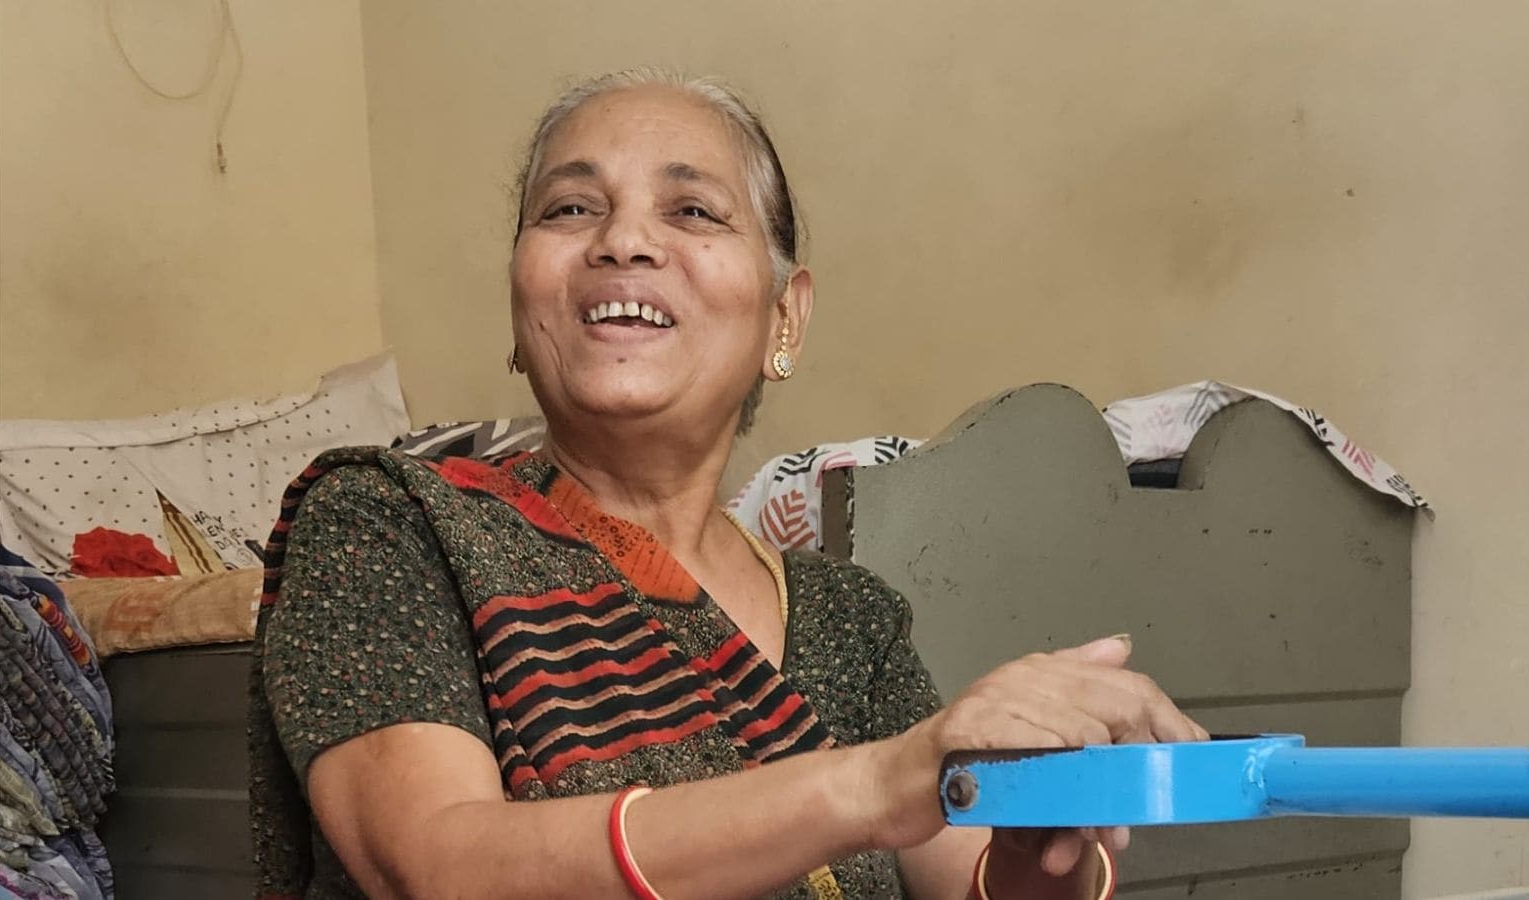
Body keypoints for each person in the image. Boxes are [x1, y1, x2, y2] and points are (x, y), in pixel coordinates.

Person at [247, 68, 1208, 900]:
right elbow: (440, 866)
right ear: (520, 297)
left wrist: (1043, 837)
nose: (623, 241)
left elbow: (967, 873)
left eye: (693, 211)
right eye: (570, 209)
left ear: (785, 320)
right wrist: (875, 784)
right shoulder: (389, 523)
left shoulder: (850, 619)